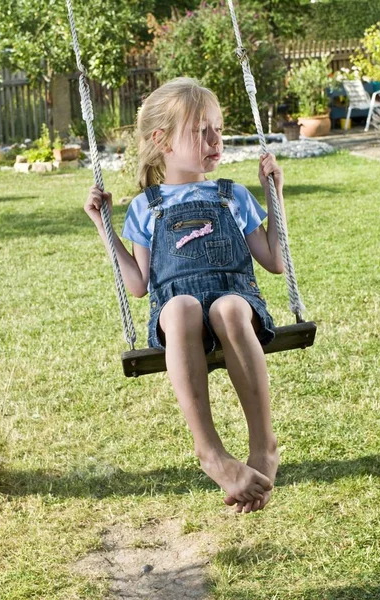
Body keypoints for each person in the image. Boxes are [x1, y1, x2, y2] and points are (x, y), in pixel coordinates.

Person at [85, 77, 285, 514]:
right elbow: (138, 285)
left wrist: (275, 191)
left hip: (236, 302)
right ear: (163, 141)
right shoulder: (146, 206)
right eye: (201, 131)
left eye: (218, 128)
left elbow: (275, 260)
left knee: (229, 307)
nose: (216, 140)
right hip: (179, 316)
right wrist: (104, 226)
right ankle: (210, 451)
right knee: (180, 307)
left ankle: (262, 443)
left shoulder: (232, 194)